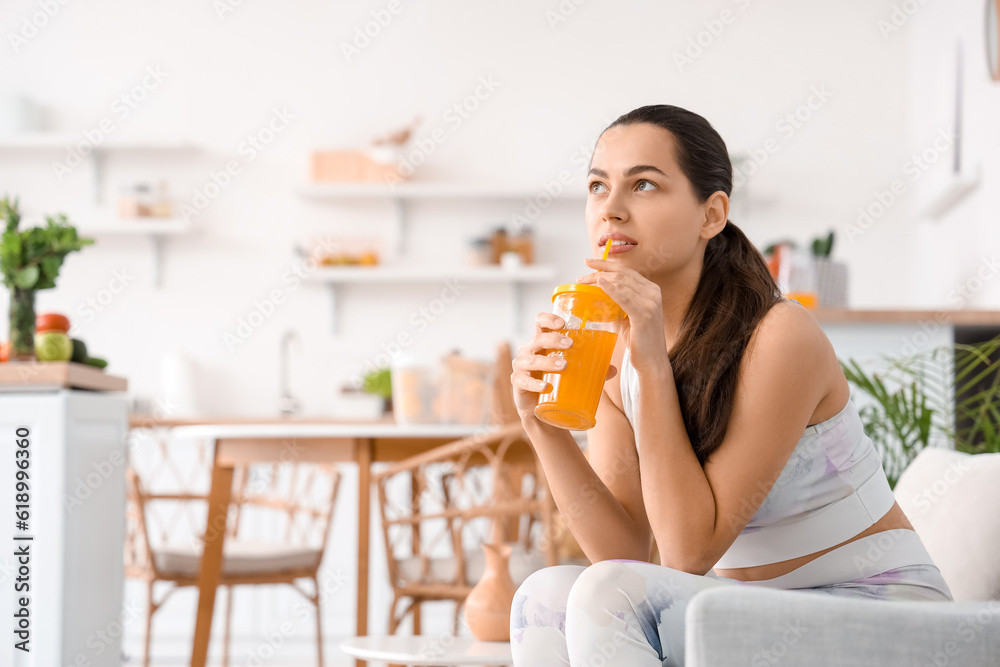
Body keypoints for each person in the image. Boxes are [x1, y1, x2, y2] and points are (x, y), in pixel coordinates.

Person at [507, 105, 952, 667]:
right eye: (598, 186)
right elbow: (624, 556)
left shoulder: (779, 335)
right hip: (751, 615)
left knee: (605, 595)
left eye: (643, 184)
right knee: (545, 595)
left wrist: (651, 362)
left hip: (883, 615)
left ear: (711, 214)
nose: (611, 210)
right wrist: (540, 428)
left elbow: (687, 554)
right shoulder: (613, 349)